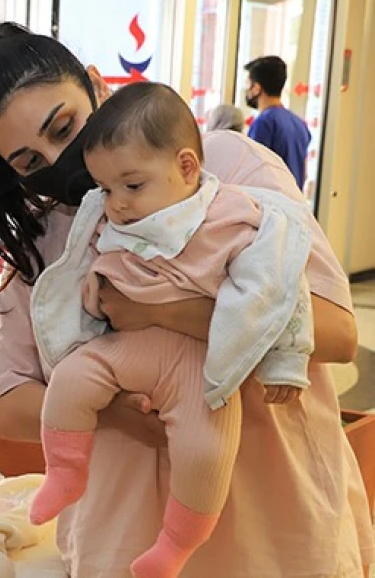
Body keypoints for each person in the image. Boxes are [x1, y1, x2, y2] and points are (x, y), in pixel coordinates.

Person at [0, 23, 372, 577]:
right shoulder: (48, 238)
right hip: (120, 540)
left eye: (63, 126)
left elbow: (338, 334)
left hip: (271, 528)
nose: (58, 158)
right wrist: (119, 416)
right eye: (30, 161)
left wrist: (161, 313)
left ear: (97, 87)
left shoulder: (222, 166)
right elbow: (9, 403)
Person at [28, 82, 314, 578]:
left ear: (185, 167)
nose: (117, 203)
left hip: (199, 364)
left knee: (206, 455)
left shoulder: (236, 214)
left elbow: (282, 290)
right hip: (123, 347)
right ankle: (65, 472)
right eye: (107, 189)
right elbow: (84, 264)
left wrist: (286, 361)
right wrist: (90, 295)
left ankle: (177, 545)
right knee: (69, 381)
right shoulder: (110, 215)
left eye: (132, 186)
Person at [244, 56, 311, 189]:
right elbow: (303, 172)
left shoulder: (264, 123)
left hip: (271, 203)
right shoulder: (299, 123)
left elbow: (253, 172)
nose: (246, 90)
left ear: (256, 88)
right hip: (294, 202)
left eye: (248, 85)